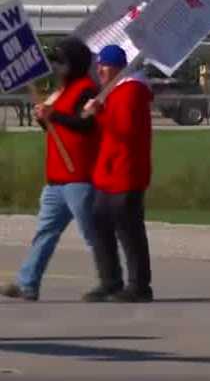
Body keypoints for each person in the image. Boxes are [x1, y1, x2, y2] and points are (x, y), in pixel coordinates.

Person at [1, 37, 99, 301]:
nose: (56, 67)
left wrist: (53, 115)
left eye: (61, 61)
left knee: (93, 234)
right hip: (56, 179)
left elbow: (85, 125)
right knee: (45, 233)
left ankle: (111, 281)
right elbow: (59, 130)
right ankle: (27, 283)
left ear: (75, 64)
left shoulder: (87, 91)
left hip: (79, 176)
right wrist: (45, 119)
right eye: (54, 61)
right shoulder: (62, 91)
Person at [81, 45, 155, 303]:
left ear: (119, 67)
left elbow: (123, 129)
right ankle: (110, 280)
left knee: (129, 230)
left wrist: (98, 113)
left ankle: (139, 285)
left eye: (105, 65)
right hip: (108, 171)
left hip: (126, 172)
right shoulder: (112, 91)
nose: (100, 69)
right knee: (100, 225)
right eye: (98, 64)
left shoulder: (132, 91)